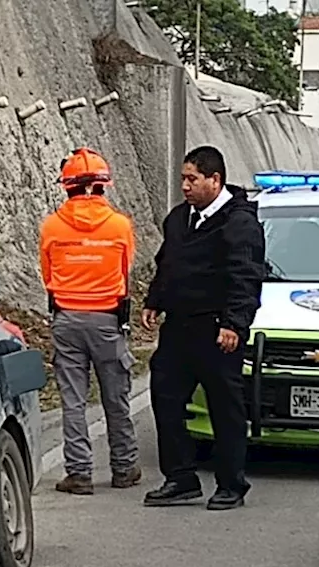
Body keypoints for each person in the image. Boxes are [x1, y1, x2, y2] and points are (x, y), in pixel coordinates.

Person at [141, 145, 265, 511]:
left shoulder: (239, 223)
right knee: (165, 397)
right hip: (179, 329)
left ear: (215, 179)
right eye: (183, 179)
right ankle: (180, 478)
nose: (185, 186)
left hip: (217, 331)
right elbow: (168, 262)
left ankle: (231, 484)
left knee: (224, 409)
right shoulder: (179, 219)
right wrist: (154, 300)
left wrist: (234, 324)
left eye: (192, 179)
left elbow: (246, 277)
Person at [39, 148, 141, 495]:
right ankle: (124, 468)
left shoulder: (52, 225)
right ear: (103, 186)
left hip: (66, 319)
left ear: (66, 186)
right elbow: (125, 272)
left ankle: (79, 473)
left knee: (73, 400)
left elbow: (47, 274)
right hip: (107, 320)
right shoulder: (120, 226)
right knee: (116, 397)